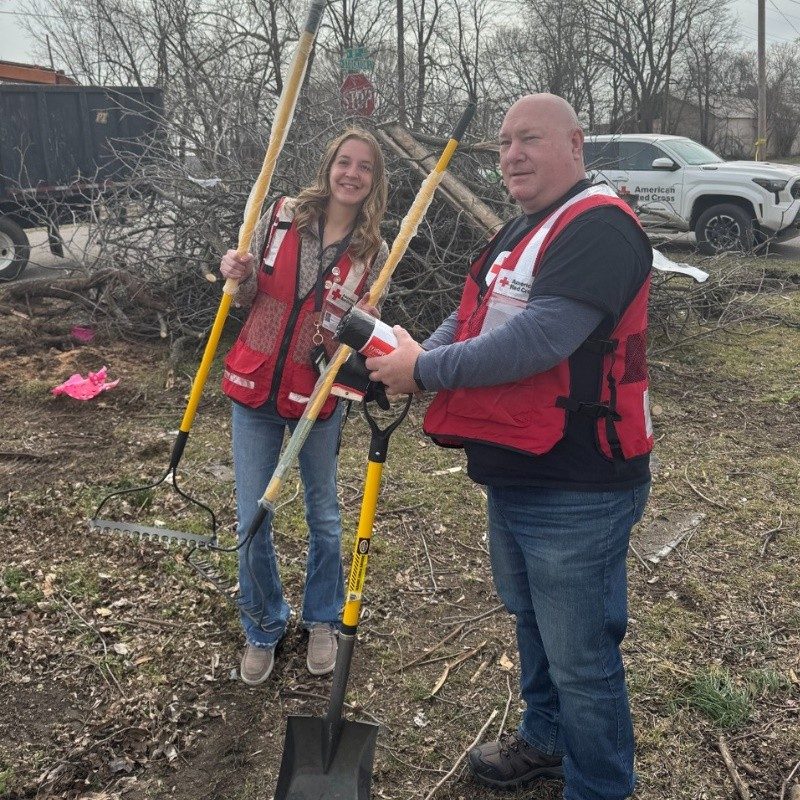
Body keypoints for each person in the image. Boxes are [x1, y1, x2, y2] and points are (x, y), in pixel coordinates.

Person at [365, 94, 653, 800]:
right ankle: (548, 742)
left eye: (529, 139)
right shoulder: (523, 230)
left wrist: (423, 371)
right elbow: (467, 317)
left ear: (575, 144)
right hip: (520, 467)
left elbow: (540, 337)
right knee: (532, 624)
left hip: (580, 483)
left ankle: (601, 788)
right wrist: (405, 361)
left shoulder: (599, 227)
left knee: (582, 657)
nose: (512, 155)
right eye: (503, 145)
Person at [219, 128, 389, 686]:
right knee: (252, 515)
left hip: (317, 396)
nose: (352, 174)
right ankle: (263, 624)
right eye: (345, 162)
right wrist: (234, 275)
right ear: (330, 165)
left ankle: (321, 618)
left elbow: (362, 333)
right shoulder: (283, 215)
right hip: (254, 387)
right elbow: (247, 295)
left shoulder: (375, 253)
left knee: (324, 516)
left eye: (364, 167)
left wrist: (355, 343)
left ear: (374, 180)